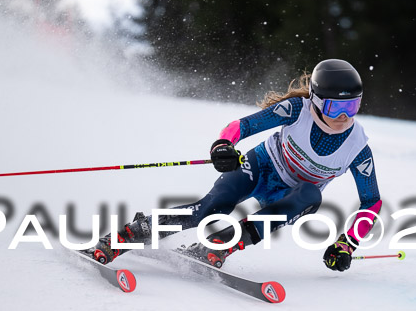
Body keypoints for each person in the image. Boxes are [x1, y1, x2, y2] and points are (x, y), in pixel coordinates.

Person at [88, 59, 382, 272]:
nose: (344, 116)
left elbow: (372, 202)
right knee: (209, 210)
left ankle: (220, 244)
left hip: (289, 196)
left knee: (311, 196)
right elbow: (242, 126)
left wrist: (348, 243)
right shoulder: (296, 110)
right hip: (262, 165)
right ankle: (128, 235)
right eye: (335, 107)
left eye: (352, 106)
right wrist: (224, 145)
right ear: (316, 100)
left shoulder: (357, 148)